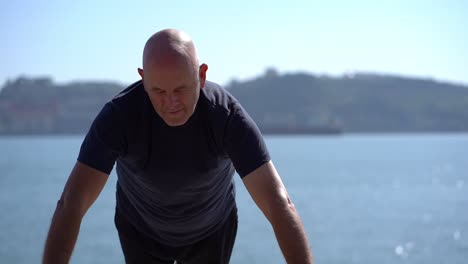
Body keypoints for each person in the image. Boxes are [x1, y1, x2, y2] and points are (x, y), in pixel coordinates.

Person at [42, 29, 313, 264]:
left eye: (181, 89)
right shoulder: (119, 117)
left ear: (202, 75)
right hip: (140, 229)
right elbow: (72, 201)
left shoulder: (227, 117)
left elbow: (278, 202)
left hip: (212, 230)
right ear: (142, 77)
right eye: (158, 91)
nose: (171, 103)